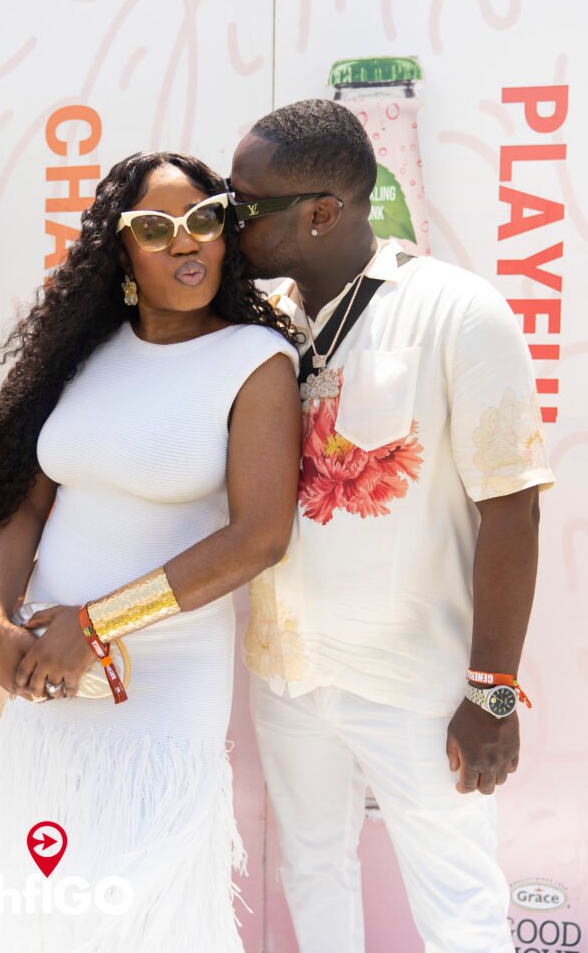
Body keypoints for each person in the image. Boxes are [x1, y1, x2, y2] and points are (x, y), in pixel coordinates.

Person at [0, 151, 302, 953]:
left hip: (161, 682)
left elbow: (259, 537)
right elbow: (26, 501)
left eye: (204, 219)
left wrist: (98, 623)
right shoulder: (84, 354)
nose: (187, 242)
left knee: (143, 914)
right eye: (156, 227)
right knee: (42, 903)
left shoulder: (253, 361)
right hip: (50, 672)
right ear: (121, 250)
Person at [229, 99, 555, 953]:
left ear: (321, 213)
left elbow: (512, 508)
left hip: (417, 687)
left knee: (459, 907)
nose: (227, 220)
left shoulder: (456, 310)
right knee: (310, 872)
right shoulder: (255, 324)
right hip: (285, 675)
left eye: (245, 205)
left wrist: (491, 692)